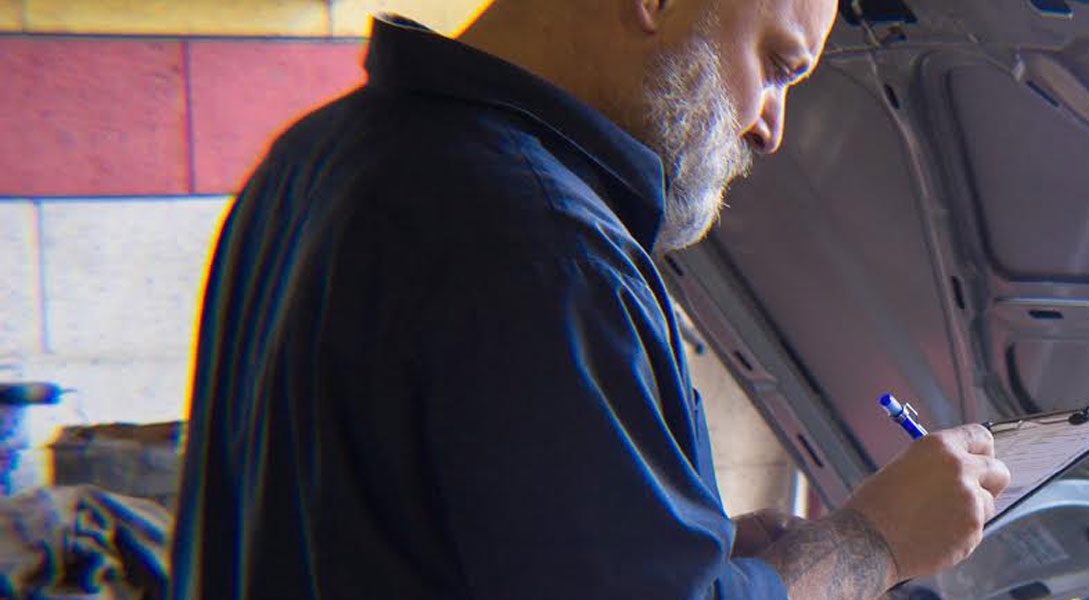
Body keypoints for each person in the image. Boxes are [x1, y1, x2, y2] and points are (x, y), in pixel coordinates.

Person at [168, 0, 1012, 598]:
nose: (771, 125)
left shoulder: (311, 159)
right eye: (776, 64)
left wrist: (706, 561)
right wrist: (875, 542)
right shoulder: (544, 245)